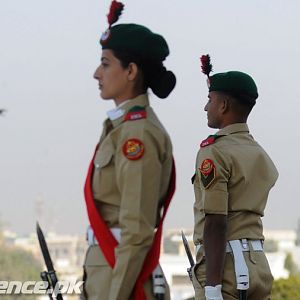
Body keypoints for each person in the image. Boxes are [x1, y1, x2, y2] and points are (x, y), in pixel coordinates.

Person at [82, 1, 176, 300]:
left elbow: (135, 232)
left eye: (106, 63)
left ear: (131, 70)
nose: (97, 73)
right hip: (107, 270)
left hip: (121, 279)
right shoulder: (121, 127)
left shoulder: (137, 134)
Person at [191, 55, 278, 300]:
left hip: (226, 271)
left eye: (210, 99)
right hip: (258, 266)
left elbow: (216, 222)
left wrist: (212, 287)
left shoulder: (214, 152)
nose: (206, 107)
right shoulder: (258, 152)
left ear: (224, 105)